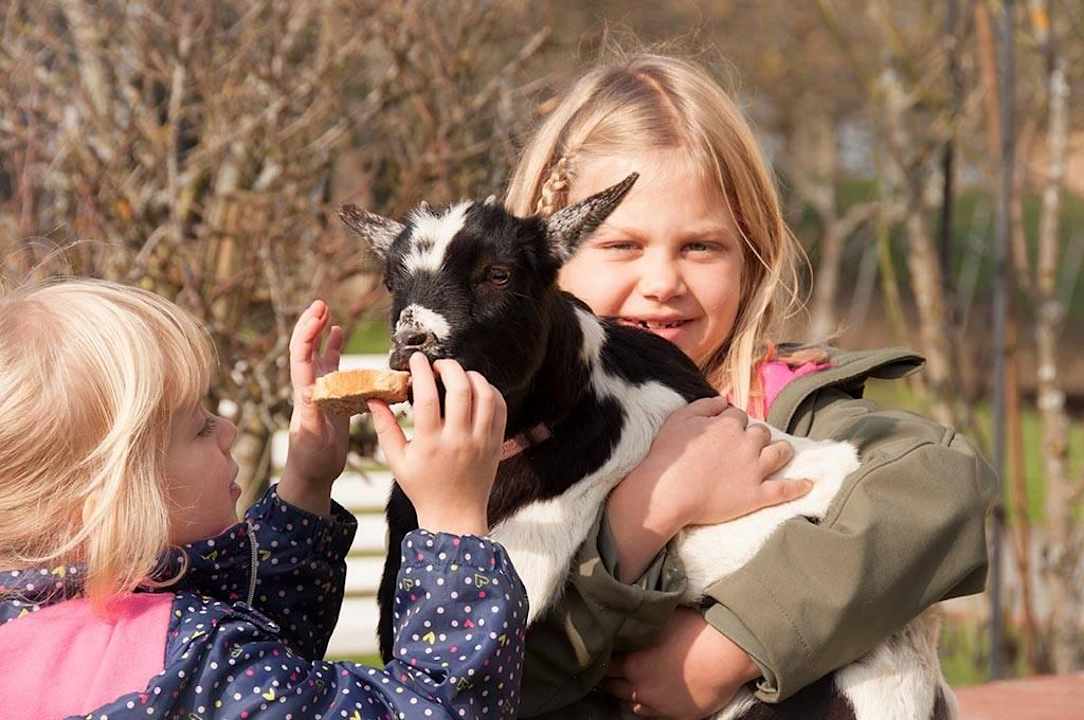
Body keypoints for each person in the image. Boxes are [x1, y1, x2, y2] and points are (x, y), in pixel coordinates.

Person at [503, 51, 996, 718]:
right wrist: (639, 520)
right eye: (622, 246)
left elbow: (942, 488)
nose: (662, 282)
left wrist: (731, 644)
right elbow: (504, 673)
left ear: (752, 254)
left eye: (701, 247)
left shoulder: (787, 405)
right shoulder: (516, 451)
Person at [0, 278, 527, 719]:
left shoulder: (36, 625)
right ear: (116, 499)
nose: (227, 428)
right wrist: (452, 527)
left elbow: (267, 663)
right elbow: (431, 709)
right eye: (199, 428)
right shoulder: (198, 663)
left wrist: (306, 485)